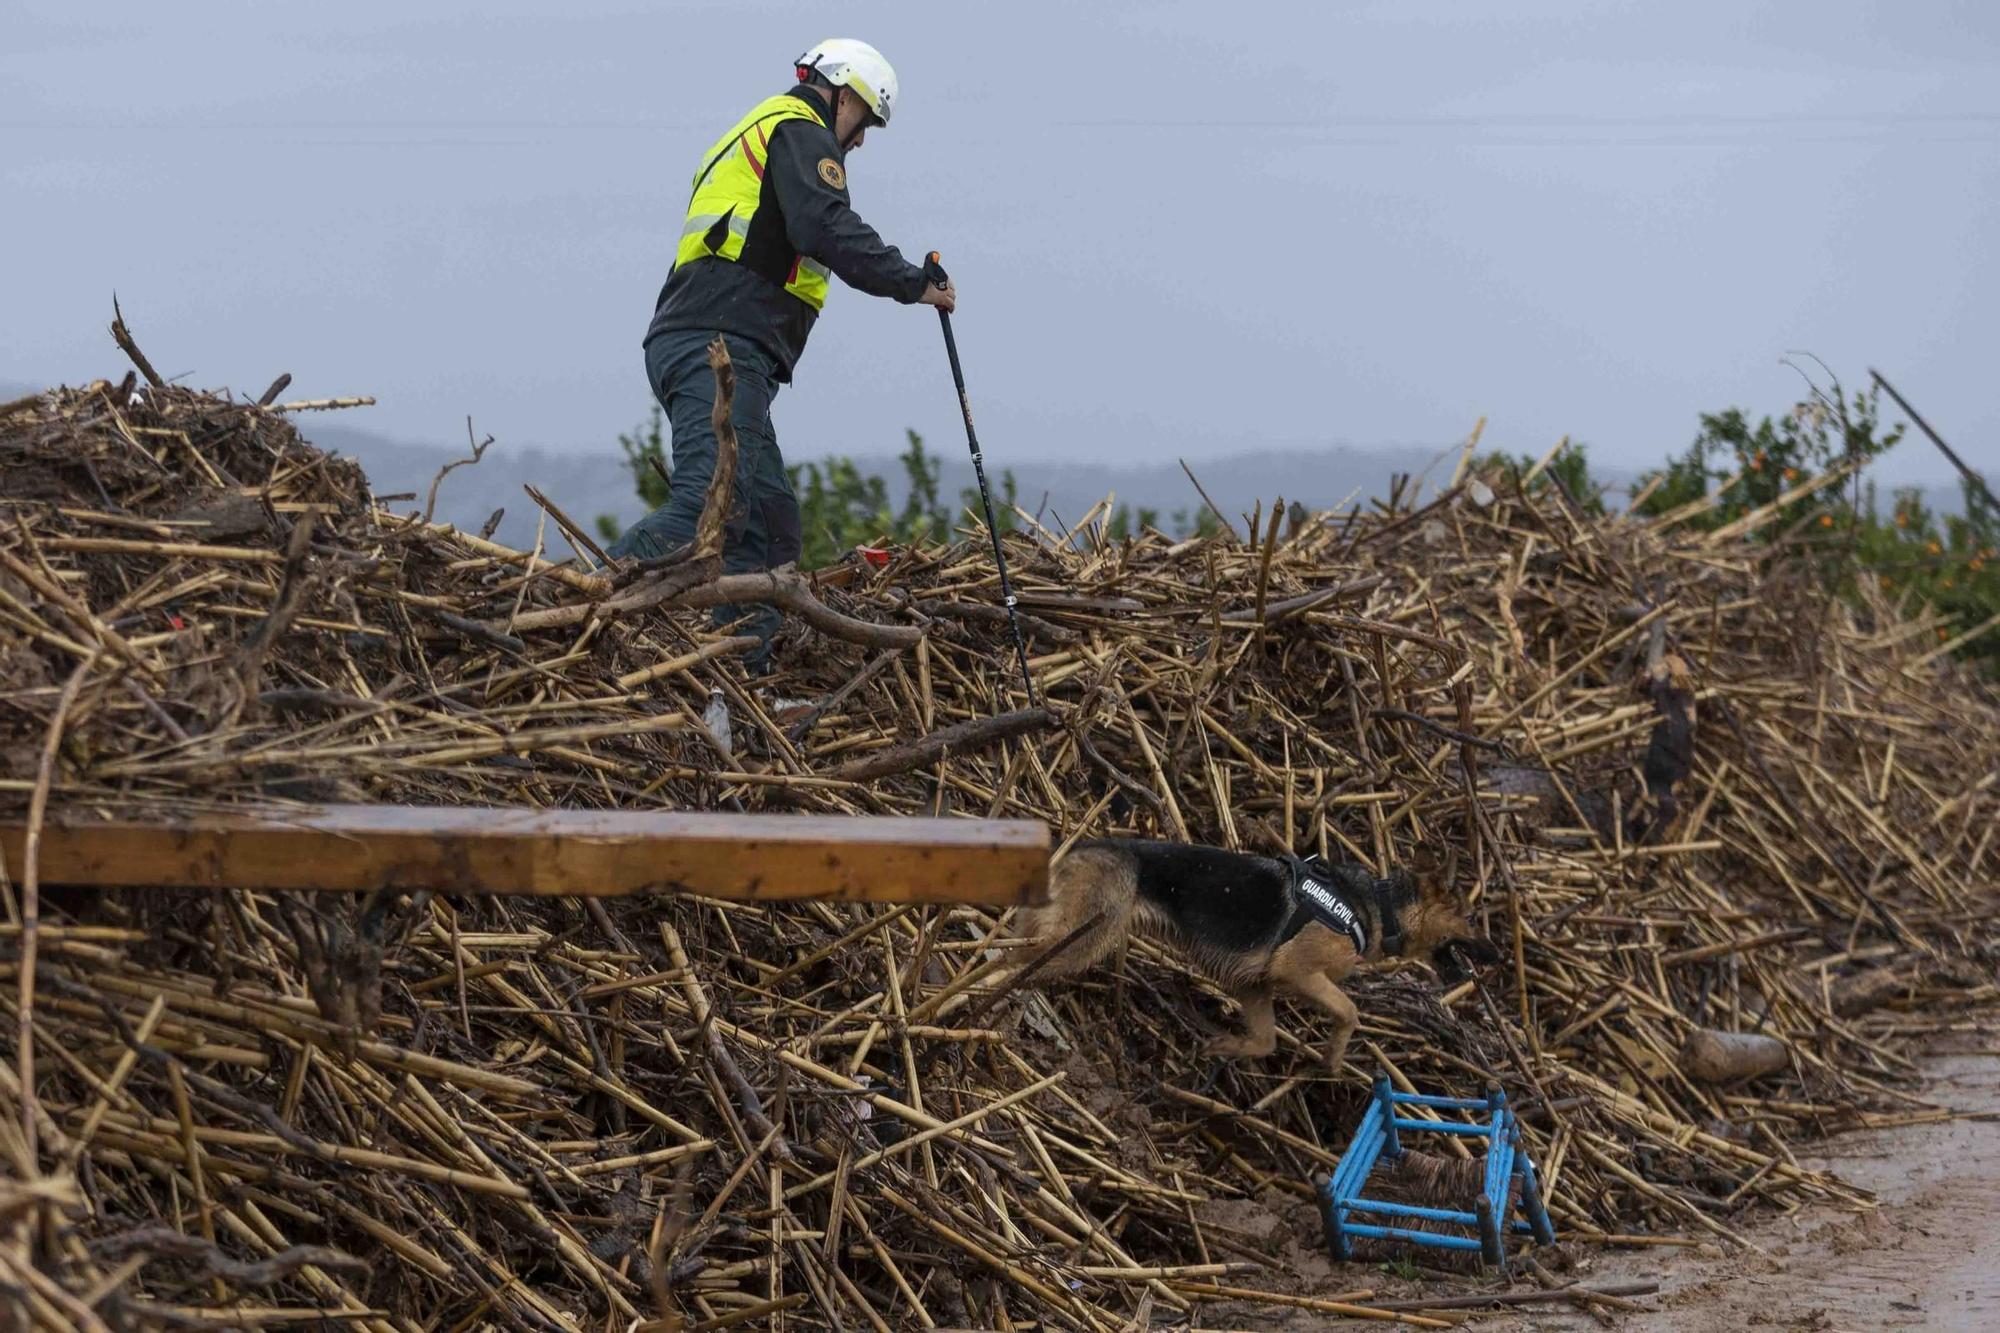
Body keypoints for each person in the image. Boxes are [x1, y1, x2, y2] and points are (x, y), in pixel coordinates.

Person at [609, 38, 956, 668]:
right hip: (717, 344)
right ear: (843, 94)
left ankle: (745, 673)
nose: (861, 140)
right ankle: (581, 604)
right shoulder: (799, 129)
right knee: (708, 507)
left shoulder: (764, 129)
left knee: (768, 524)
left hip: (716, 341)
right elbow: (822, 225)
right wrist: (913, 282)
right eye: (866, 121)